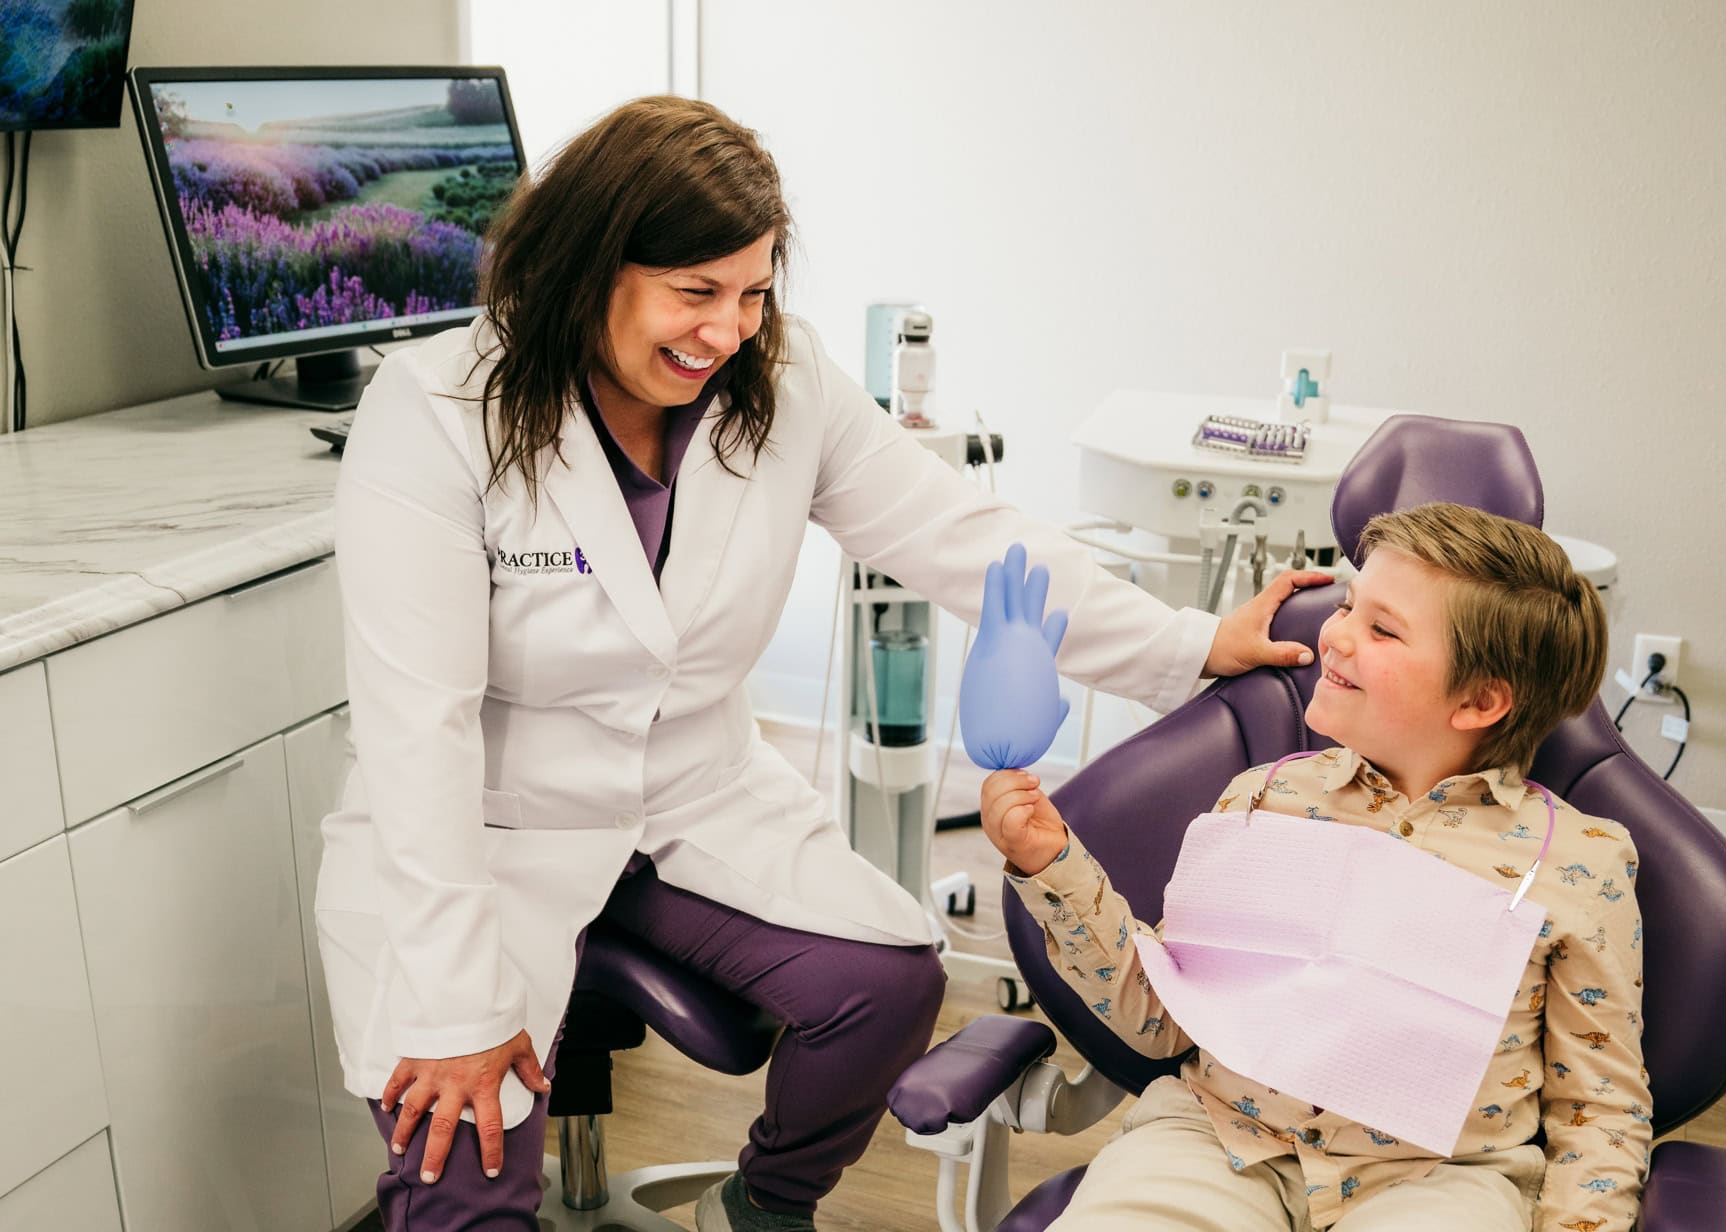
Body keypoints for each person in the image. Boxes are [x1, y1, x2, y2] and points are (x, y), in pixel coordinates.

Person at [313, 94, 1331, 1232]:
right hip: (483, 835)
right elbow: (420, 727)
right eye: (695, 292)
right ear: (588, 265)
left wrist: (1193, 642)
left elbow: (967, 539)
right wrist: (454, 1004)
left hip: (689, 802)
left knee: (889, 983)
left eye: (751, 291)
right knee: (465, 1176)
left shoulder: (780, 381)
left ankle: (762, 1205)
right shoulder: (438, 411)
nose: (728, 329)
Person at [980, 502, 1648, 1232]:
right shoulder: (1267, 798)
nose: (1336, 635)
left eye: (1382, 628)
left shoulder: (1578, 863)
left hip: (1440, 1181)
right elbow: (1161, 1022)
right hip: (1215, 1139)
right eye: (1349, 606)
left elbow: (1599, 1109)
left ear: (1481, 700)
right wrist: (1053, 866)